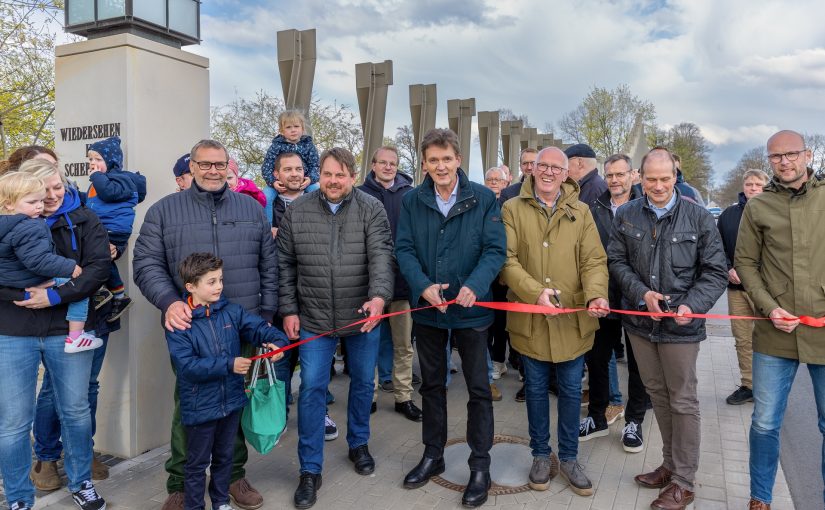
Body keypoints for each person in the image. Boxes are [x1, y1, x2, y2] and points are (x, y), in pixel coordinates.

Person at [133, 139, 277, 510]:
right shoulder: (164, 211)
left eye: (220, 164)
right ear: (191, 168)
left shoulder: (251, 208)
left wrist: (267, 317)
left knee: (234, 404)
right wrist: (169, 302)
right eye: (205, 164)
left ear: (229, 167)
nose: (213, 171)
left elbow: (270, 266)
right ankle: (181, 482)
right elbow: (146, 263)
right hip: (189, 328)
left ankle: (233, 477)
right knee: (191, 406)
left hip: (239, 323)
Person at [607, 147, 727, 510]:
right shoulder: (627, 214)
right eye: (651, 179)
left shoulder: (698, 216)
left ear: (676, 176)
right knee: (657, 395)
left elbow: (716, 271)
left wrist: (692, 304)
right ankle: (670, 466)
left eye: (665, 178)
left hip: (682, 328)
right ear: (639, 178)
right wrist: (642, 294)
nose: (658, 186)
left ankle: (684, 483)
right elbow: (617, 260)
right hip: (641, 323)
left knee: (684, 401)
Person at [278, 147, 393, 509]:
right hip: (312, 318)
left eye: (340, 175)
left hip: (360, 317)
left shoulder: (371, 208)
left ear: (353, 177)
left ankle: (358, 444)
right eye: (327, 174)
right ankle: (310, 469)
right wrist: (288, 309)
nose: (333, 181)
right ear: (319, 175)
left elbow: (381, 257)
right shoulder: (297, 211)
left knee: (362, 383)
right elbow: (284, 265)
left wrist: (378, 297)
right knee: (311, 387)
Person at [396, 128, 505, 508]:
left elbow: (495, 251)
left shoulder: (485, 197)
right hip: (429, 311)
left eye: (447, 159)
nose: (440, 166)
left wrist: (475, 284)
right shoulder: (412, 200)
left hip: (471, 311)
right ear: (424, 163)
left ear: (458, 159)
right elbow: (404, 249)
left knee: (478, 389)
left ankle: (480, 465)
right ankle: (432, 453)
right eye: (433, 160)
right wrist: (423, 285)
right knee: (432, 386)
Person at [0, 159, 111, 510]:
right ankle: (18, 497)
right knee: (15, 421)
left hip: (68, 325)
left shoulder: (85, 219)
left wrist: (55, 295)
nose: (50, 196)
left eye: (56, 188)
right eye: (42, 190)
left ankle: (82, 482)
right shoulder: (8, 223)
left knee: (76, 411)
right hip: (13, 329)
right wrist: (20, 295)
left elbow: (98, 269)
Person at [500, 146, 609, 496]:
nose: (548, 172)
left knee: (570, 391)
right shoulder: (512, 208)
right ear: (533, 171)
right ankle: (540, 456)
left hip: (571, 321)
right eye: (542, 166)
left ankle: (570, 458)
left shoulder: (582, 211)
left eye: (555, 167)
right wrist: (535, 293)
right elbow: (507, 260)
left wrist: (596, 294)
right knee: (533, 391)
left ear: (566, 173)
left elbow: (594, 260)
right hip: (531, 320)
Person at [735, 130, 825, 510]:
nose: (784, 162)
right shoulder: (759, 207)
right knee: (764, 423)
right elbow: (746, 264)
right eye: (776, 157)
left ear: (806, 155)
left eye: (791, 154)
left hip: (823, 332)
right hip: (776, 331)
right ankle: (761, 499)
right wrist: (769, 307)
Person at [166, 253, 288, 510]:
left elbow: (261, 329)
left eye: (220, 280)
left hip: (231, 402)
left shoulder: (232, 311)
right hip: (200, 408)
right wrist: (229, 365)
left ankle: (221, 502)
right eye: (211, 282)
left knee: (225, 457)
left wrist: (277, 342)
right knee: (197, 463)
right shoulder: (179, 324)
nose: (219, 286)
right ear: (191, 286)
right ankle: (194, 506)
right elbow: (187, 367)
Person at [581, 154, 651, 454]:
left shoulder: (646, 209)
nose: (614, 180)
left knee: (638, 364)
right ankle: (596, 416)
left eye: (620, 174)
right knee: (597, 359)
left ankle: (633, 421)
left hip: (637, 299)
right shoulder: (594, 210)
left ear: (633, 175)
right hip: (604, 298)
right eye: (609, 175)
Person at [357, 146, 422, 422]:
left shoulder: (410, 194)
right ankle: (367, 397)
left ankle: (403, 396)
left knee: (404, 345)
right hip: (368, 283)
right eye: (382, 162)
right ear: (373, 165)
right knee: (368, 344)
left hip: (402, 282)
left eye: (392, 163)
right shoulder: (360, 193)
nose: (387, 167)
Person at [0, 171, 100, 352]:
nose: (41, 205)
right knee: (77, 287)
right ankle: (76, 337)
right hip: (25, 298)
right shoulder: (30, 225)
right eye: (34, 201)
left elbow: (99, 266)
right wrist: (70, 267)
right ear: (9, 203)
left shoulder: (8, 223)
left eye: (58, 187)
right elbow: (38, 260)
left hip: (16, 287)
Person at [716, 168, 769, 406]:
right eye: (749, 184)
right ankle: (748, 384)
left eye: (758, 184)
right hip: (736, 288)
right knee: (742, 339)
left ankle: (768, 388)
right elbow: (717, 248)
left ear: (765, 187)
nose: (753, 189)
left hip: (766, 290)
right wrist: (728, 268)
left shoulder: (774, 213)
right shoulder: (728, 215)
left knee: (767, 340)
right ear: (743, 186)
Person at [85, 136, 147, 322]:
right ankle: (116, 294)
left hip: (114, 230)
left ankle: (102, 290)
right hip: (103, 228)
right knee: (100, 257)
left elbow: (109, 193)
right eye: (90, 159)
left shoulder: (121, 179)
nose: (93, 164)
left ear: (111, 161)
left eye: (98, 159)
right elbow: (91, 202)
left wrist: (96, 176)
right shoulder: (100, 181)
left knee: (95, 255)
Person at [260, 110, 320, 226]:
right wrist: (273, 182)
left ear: (302, 128)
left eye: (296, 126)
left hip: (305, 180)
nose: (293, 130)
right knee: (266, 197)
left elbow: (315, 165)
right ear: (282, 131)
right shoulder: (276, 146)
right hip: (279, 182)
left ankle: (319, 223)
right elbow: (267, 166)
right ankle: (268, 227)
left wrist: (311, 179)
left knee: (319, 194)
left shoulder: (308, 145)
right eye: (288, 127)